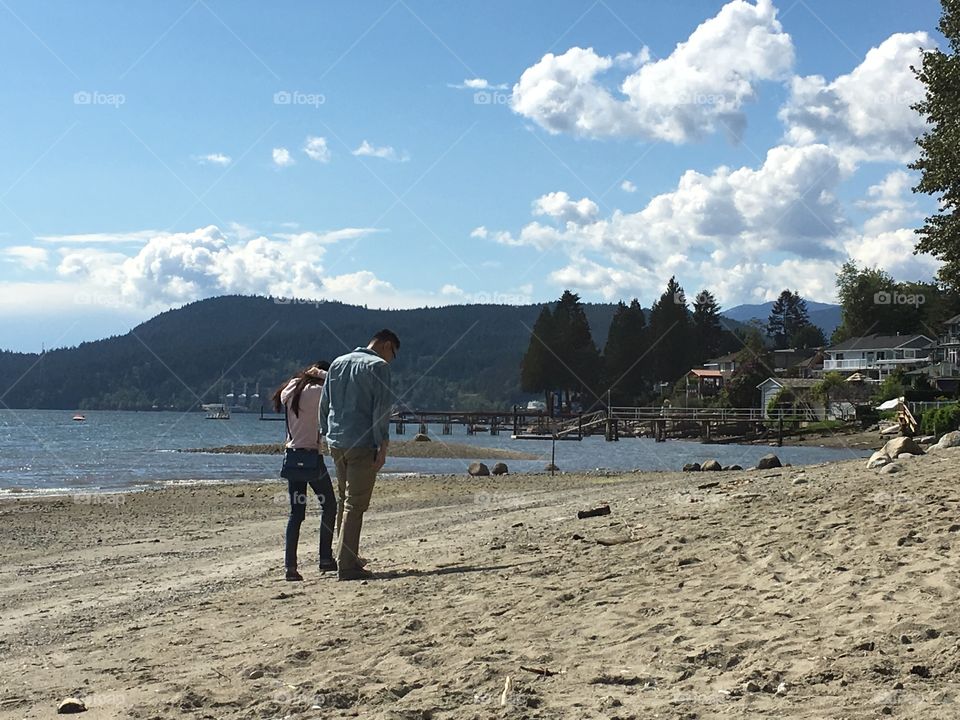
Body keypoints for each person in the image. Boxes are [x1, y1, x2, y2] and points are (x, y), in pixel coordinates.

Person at [319, 329, 399, 581]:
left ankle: (347, 556)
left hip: (337, 440)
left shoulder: (338, 363)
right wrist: (382, 445)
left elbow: (325, 403)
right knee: (355, 505)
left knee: (345, 500)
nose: (391, 360)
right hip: (362, 442)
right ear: (386, 345)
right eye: (393, 354)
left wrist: (325, 433)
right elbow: (380, 410)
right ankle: (347, 565)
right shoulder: (379, 367)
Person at [272, 361, 338, 581]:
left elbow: (282, 393)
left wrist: (307, 372)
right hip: (312, 459)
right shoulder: (320, 391)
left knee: (296, 513)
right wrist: (321, 373)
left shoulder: (292, 389)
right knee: (329, 505)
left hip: (292, 458)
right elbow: (334, 383)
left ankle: (290, 566)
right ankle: (325, 558)